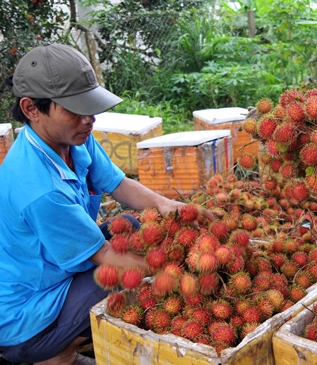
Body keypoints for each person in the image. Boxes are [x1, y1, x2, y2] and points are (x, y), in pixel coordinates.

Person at [0, 43, 217, 365]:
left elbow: (117, 184)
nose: (90, 119)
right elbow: (104, 256)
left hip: (56, 270)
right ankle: (53, 353)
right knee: (119, 277)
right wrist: (179, 266)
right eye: (75, 109)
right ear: (32, 108)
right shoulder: (38, 188)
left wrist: (166, 205)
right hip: (25, 316)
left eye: (91, 107)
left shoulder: (72, 140)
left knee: (132, 227)